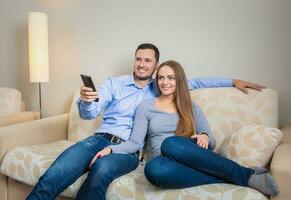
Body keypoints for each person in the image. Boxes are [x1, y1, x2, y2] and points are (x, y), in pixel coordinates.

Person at [26, 43, 265, 200]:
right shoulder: (114, 84)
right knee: (55, 173)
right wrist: (87, 101)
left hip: (128, 150)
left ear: (155, 65)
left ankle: (239, 174)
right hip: (97, 140)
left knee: (101, 169)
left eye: (147, 61)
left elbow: (197, 82)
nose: (141, 64)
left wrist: (233, 81)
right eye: (138, 59)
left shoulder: (161, 87)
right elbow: (91, 112)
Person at [94, 60, 278, 197]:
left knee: (171, 143)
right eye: (161, 78)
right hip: (165, 164)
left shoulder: (191, 106)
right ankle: (236, 176)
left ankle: (245, 176)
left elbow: (211, 142)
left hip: (191, 156)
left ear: (179, 80)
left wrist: (205, 136)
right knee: (153, 169)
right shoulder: (146, 106)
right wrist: (111, 148)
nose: (165, 82)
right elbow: (135, 142)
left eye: (171, 78)